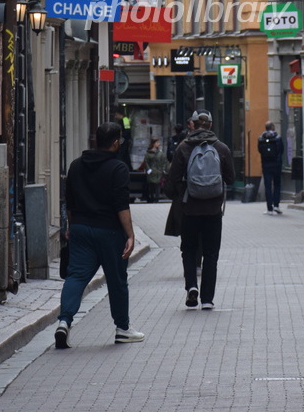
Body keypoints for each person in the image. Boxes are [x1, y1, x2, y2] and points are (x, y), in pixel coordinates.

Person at [55, 122, 145, 348]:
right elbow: (121, 205)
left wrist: (71, 226)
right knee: (116, 280)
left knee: (76, 277)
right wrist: (130, 235)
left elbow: (70, 201)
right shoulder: (118, 168)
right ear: (115, 142)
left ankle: (64, 322)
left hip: (81, 229)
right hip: (110, 232)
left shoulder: (76, 166)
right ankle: (122, 328)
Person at [164, 110, 235, 310]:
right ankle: (207, 299)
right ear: (211, 125)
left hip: (189, 209)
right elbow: (230, 178)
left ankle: (191, 286)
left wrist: (181, 194)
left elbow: (172, 181)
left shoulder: (183, 148)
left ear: (193, 124)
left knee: (188, 249)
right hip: (213, 209)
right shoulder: (221, 148)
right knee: (211, 254)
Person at [257, 122, 284, 215]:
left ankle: (269, 208)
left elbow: (260, 151)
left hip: (266, 165)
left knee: (268, 186)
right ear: (273, 128)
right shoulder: (278, 138)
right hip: (276, 165)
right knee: (277, 185)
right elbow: (281, 150)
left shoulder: (261, 139)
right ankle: (276, 205)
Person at [144, 138, 168, 203]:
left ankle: (156, 199)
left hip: (158, 172)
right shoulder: (148, 153)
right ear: (153, 144)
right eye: (157, 143)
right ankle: (151, 198)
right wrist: (148, 169)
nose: (158, 144)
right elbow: (146, 162)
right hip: (151, 172)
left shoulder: (160, 153)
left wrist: (163, 169)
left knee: (158, 186)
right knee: (151, 186)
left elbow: (164, 161)